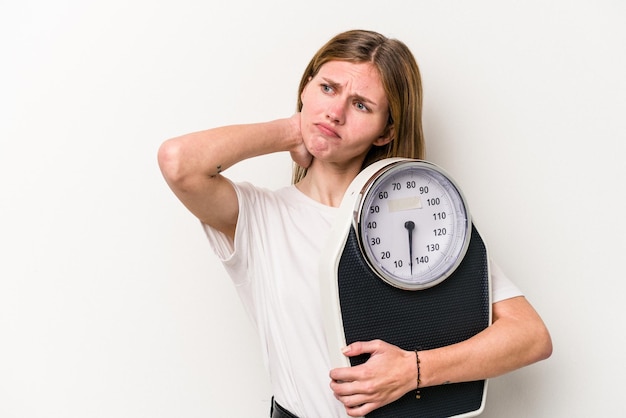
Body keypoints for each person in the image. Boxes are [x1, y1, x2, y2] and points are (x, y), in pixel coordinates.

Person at [158, 29, 552, 418]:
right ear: (305, 88)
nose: (336, 112)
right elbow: (179, 162)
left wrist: (414, 371)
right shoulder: (258, 217)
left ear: (387, 131)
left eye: (361, 105)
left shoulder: (428, 222)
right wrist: (292, 130)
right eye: (327, 88)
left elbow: (530, 336)